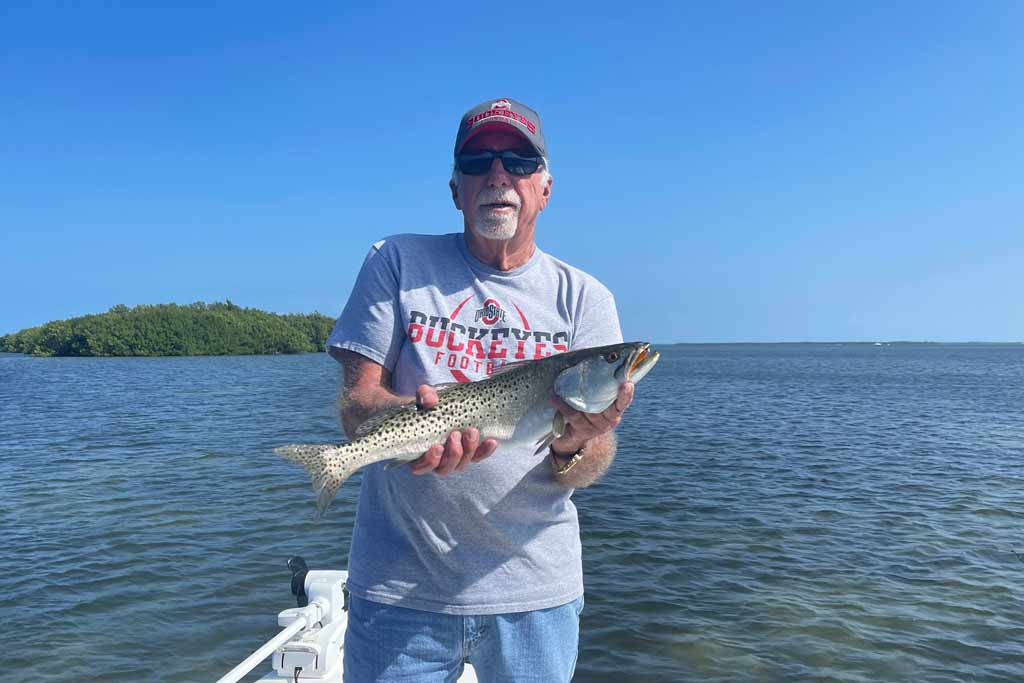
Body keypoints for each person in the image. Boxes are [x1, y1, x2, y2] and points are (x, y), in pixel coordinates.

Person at [326, 97, 634, 682]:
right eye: (478, 161)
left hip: (537, 593)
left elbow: (593, 461)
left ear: (545, 187)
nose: (498, 174)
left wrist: (574, 445)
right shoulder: (396, 261)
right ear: (455, 188)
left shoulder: (586, 298)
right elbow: (356, 404)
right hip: (397, 589)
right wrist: (414, 425)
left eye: (519, 160)